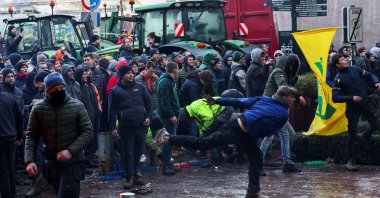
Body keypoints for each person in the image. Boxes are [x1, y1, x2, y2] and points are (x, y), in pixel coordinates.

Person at [152, 85, 298, 198]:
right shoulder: (283, 112)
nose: (294, 100)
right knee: (204, 143)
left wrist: (216, 100)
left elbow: (239, 101)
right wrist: (217, 101)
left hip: (243, 130)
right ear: (284, 97)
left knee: (257, 157)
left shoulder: (264, 99)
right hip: (236, 129)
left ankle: (253, 192)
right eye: (292, 97)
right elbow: (267, 129)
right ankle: (167, 137)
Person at [25, 72, 93, 198]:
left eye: (62, 88)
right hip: (51, 163)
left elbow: (88, 131)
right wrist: (29, 160)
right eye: (56, 89)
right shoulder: (39, 108)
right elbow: (31, 135)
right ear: (48, 90)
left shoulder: (77, 105)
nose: (60, 91)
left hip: (73, 161)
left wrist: (70, 151)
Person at [332, 53, 380, 171]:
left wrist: (376, 81)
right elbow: (335, 98)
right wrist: (351, 97)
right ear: (337, 64)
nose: (346, 60)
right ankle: (350, 160)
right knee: (352, 134)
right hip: (353, 108)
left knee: (376, 124)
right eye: (342, 59)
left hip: (365, 103)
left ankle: (365, 136)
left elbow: (369, 75)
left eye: (345, 58)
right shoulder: (338, 79)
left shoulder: (355, 69)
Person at [108, 65, 152, 189]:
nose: (131, 75)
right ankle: (129, 176)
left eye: (132, 72)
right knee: (127, 152)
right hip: (125, 126)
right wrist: (113, 127)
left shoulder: (140, 87)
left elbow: (149, 104)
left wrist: (149, 117)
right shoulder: (115, 91)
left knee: (139, 150)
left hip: (141, 125)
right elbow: (111, 111)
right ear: (122, 76)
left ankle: (136, 173)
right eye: (128, 73)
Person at [260, 55, 304, 175]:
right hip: (271, 107)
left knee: (283, 135)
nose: (291, 68)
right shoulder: (278, 72)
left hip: (277, 107)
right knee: (270, 136)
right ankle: (258, 164)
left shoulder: (283, 72)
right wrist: (298, 95)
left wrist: (294, 77)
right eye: (291, 65)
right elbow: (283, 88)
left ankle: (287, 163)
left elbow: (288, 86)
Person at [157, 62, 181, 175]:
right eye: (178, 69)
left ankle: (168, 163)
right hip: (168, 116)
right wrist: (171, 115)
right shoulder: (166, 82)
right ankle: (166, 166)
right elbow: (165, 102)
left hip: (172, 114)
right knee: (168, 140)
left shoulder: (170, 81)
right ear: (175, 70)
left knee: (171, 139)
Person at [0, 92, 23, 198]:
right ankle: (12, 193)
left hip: (4, 138)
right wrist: (18, 135)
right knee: (10, 167)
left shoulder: (9, 97)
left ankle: (7, 195)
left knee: (3, 170)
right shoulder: (10, 97)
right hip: (11, 137)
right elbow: (19, 117)